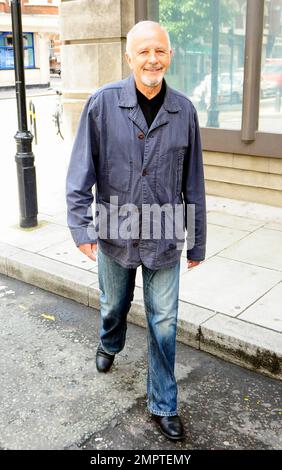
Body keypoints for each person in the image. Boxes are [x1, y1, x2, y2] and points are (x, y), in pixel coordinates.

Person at [66, 21, 206, 441]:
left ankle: (163, 403)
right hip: (114, 231)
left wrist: (197, 240)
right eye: (143, 51)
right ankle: (110, 342)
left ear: (169, 55)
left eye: (159, 51)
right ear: (129, 57)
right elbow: (79, 174)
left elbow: (193, 182)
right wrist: (81, 227)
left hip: (164, 235)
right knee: (114, 303)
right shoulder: (102, 103)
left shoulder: (184, 111)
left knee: (164, 320)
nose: (152, 59)